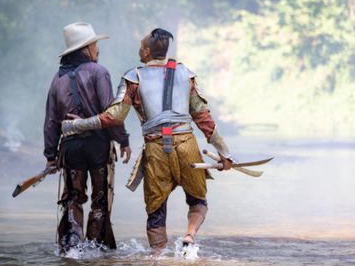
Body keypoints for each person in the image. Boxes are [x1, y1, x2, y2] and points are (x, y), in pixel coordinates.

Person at [61, 28, 233, 254]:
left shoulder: (133, 77)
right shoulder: (185, 74)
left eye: (141, 46)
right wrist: (225, 153)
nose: (139, 50)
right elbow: (204, 119)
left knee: (155, 210)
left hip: (157, 150)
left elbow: (113, 117)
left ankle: (157, 257)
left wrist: (76, 125)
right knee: (198, 200)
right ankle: (189, 236)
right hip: (188, 146)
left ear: (148, 51)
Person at [44, 22, 131, 253]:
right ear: (85, 49)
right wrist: (123, 140)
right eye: (94, 44)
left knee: (73, 199)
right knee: (100, 200)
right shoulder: (99, 72)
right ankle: (95, 250)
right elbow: (110, 113)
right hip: (97, 145)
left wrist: (50, 155)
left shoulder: (57, 78)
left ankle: (72, 249)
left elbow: (52, 120)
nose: (97, 49)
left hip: (70, 149)